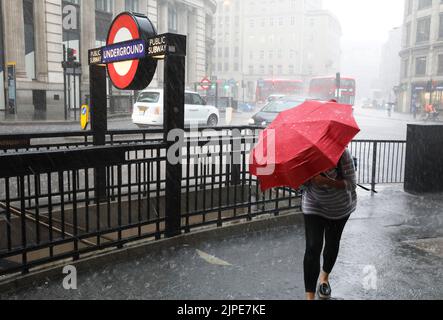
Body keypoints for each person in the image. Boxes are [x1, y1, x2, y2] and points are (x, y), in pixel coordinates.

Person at [301, 148, 357, 300]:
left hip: (339, 207)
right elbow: (302, 186)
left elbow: (352, 184)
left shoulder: (342, 154)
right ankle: (309, 297)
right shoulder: (305, 155)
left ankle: (324, 278)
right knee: (313, 247)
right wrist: (304, 179)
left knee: (332, 243)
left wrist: (326, 181)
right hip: (313, 204)